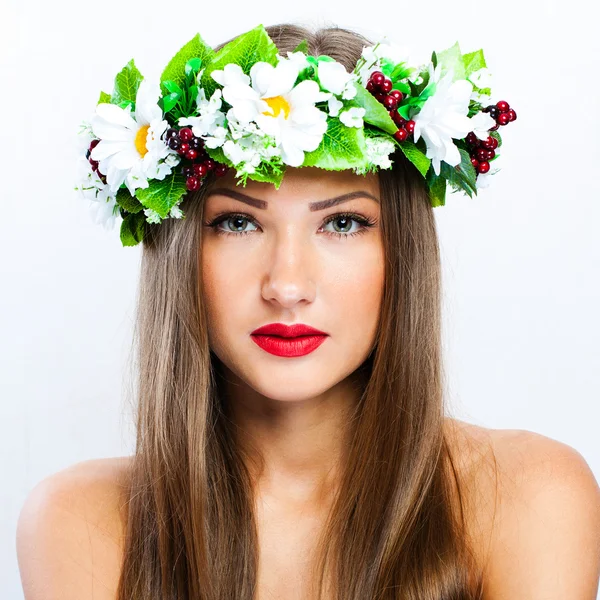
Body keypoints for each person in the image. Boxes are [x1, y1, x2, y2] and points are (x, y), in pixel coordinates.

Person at [16, 22, 600, 600]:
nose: (287, 286)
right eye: (237, 223)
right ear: (181, 250)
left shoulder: (529, 497)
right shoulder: (82, 523)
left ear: (403, 250)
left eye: (342, 223)